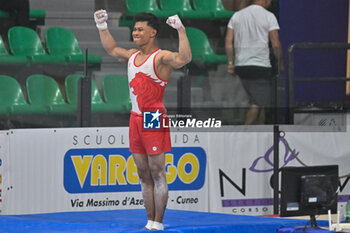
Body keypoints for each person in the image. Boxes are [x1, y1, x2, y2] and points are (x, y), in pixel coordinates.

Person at [94, 10, 191, 230]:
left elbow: (184, 58)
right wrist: (102, 26)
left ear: (153, 33)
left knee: (157, 171)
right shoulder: (131, 56)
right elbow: (111, 48)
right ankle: (149, 221)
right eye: (134, 29)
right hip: (135, 117)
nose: (135, 32)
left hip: (154, 116)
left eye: (140, 29)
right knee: (142, 172)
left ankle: (159, 222)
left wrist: (181, 30)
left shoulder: (161, 57)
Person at [225, 0, 284, 124]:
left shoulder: (237, 15)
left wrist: (231, 63)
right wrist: (280, 63)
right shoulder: (269, 16)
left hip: (241, 66)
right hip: (260, 67)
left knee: (259, 100)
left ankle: (260, 134)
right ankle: (245, 133)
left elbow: (228, 41)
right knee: (258, 103)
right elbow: (275, 43)